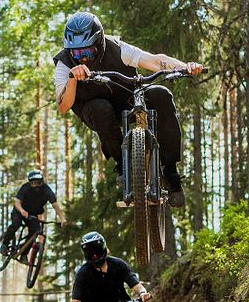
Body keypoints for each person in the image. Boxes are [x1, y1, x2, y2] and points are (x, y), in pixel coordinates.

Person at [53, 11, 203, 207]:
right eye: (77, 53)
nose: (82, 59)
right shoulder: (64, 63)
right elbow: (63, 106)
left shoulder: (116, 47)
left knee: (161, 94)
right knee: (101, 109)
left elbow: (154, 60)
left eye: (87, 52)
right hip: (96, 108)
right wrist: (73, 79)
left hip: (126, 96)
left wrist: (185, 67)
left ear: (100, 43)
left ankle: (170, 172)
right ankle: (122, 166)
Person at [0, 170, 66, 255]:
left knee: (35, 232)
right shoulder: (25, 187)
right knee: (16, 223)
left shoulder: (46, 190)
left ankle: (23, 253)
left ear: (42, 182)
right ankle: (5, 244)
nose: (36, 186)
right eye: (33, 183)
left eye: (38, 183)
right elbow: (17, 202)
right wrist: (22, 210)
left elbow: (55, 205)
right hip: (19, 210)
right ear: (30, 182)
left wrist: (62, 218)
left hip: (32, 214)